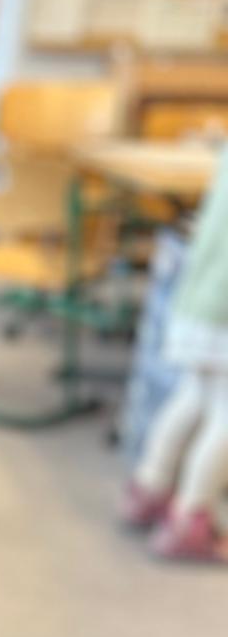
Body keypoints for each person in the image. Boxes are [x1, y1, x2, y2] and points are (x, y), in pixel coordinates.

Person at [122, 146, 228, 561]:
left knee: (194, 396)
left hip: (196, 299)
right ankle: (191, 517)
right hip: (224, 310)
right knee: (224, 417)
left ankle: (150, 487)